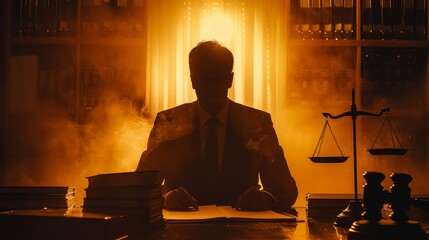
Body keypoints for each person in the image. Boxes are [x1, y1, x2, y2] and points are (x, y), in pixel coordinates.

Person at [136, 40, 298, 212]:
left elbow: (285, 193)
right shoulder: (169, 122)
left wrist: (266, 198)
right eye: (206, 80)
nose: (212, 88)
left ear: (230, 80)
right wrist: (165, 198)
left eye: (218, 80)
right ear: (193, 81)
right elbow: (140, 188)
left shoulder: (257, 122)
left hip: (244, 230)